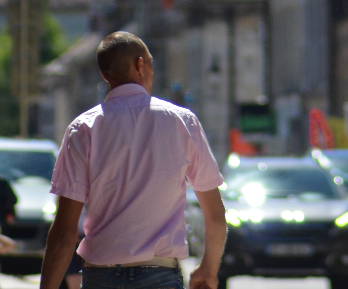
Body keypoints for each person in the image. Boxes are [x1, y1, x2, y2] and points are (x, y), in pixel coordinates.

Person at [39, 32, 227, 289]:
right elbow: (215, 214)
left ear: (105, 76)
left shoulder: (83, 129)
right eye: (150, 63)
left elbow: (64, 231)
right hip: (160, 276)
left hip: (100, 278)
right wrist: (208, 268)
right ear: (140, 65)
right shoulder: (182, 122)